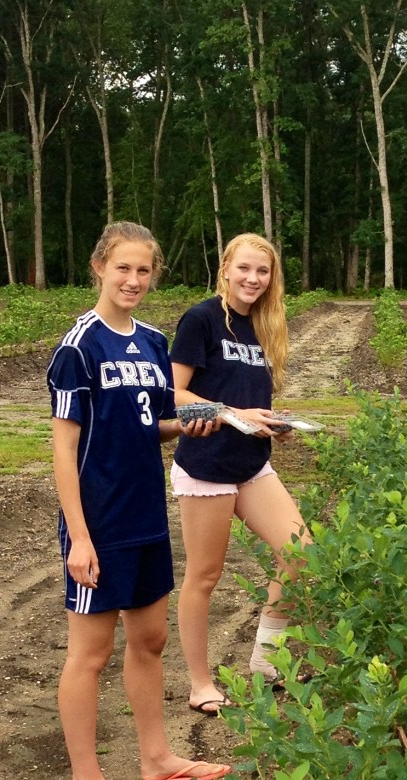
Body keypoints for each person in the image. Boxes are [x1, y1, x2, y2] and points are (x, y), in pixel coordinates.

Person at [47, 221, 231, 780]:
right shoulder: (80, 346)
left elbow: (147, 424)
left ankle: (156, 760)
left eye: (143, 270)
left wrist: (191, 424)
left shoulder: (152, 342)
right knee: (90, 654)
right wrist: (78, 536)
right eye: (122, 267)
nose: (133, 280)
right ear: (99, 266)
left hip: (147, 514)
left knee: (149, 641)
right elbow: (65, 448)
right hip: (99, 524)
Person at [170, 232, 310, 715]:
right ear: (225, 268)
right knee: (204, 577)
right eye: (245, 268)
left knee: (302, 553)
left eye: (263, 271)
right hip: (207, 466)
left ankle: (265, 663)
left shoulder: (266, 325)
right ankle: (200, 683)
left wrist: (271, 423)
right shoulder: (203, 319)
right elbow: (174, 394)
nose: (253, 279)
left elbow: (253, 400)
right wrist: (233, 413)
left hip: (252, 464)